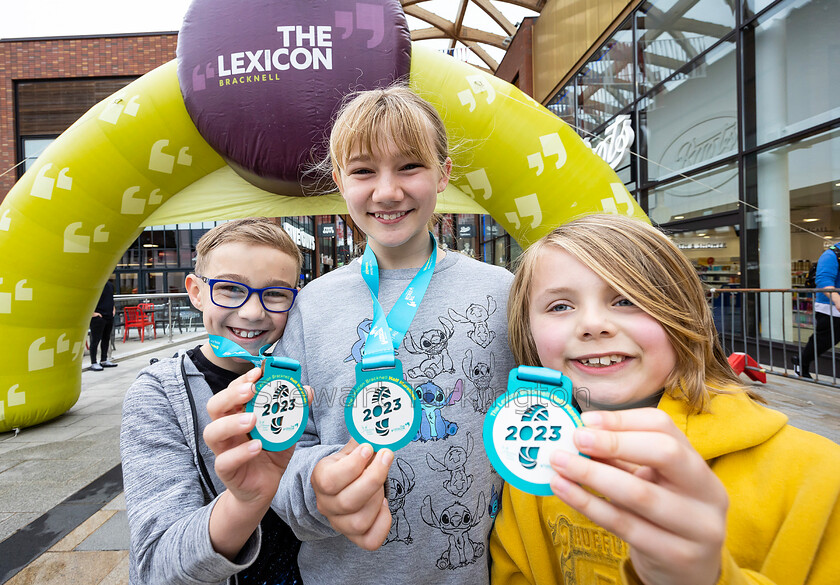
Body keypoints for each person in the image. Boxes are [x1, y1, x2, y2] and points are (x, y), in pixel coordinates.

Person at [491, 214, 840, 585]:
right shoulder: (531, 460)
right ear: (526, 329)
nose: (593, 324)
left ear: (684, 312)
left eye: (626, 299)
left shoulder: (818, 477)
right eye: (560, 306)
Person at [273, 87, 515, 584]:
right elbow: (283, 444)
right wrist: (315, 482)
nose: (387, 192)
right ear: (340, 181)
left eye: (410, 166)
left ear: (444, 174)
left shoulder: (504, 293)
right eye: (363, 171)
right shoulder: (312, 305)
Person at [120, 218, 306, 584]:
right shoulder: (157, 396)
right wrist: (243, 504)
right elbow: (156, 566)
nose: (253, 312)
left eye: (275, 294)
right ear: (196, 291)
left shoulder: (305, 378)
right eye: (231, 289)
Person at [794, 244, 840, 379]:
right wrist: (837, 299)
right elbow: (823, 279)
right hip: (830, 309)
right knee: (823, 341)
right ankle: (802, 362)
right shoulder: (831, 255)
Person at [89, 276, 117, 371]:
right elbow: (88, 300)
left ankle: (104, 360)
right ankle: (93, 362)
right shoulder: (94, 285)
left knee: (106, 339)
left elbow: (111, 299)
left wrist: (113, 309)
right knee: (95, 340)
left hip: (109, 315)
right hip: (98, 316)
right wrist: (93, 313)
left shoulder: (109, 285)